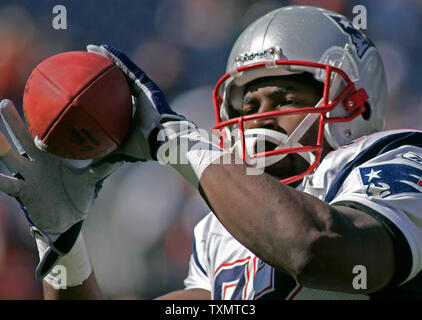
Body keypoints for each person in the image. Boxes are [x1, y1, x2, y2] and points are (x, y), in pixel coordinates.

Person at [0, 5, 421, 300]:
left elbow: (314, 247)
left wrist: (178, 141)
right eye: (248, 105)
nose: (260, 118)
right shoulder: (220, 231)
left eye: (283, 99)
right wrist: (61, 243)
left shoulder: (394, 160)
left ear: (354, 104)